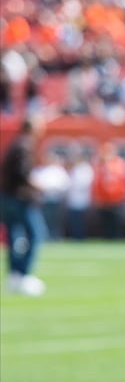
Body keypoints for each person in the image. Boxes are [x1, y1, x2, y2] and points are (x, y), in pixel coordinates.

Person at [0, 115, 48, 296]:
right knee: (35, 234)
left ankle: (14, 275)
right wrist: (37, 185)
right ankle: (24, 275)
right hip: (19, 198)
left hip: (7, 197)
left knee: (13, 236)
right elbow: (22, 175)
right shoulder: (24, 146)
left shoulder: (15, 144)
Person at [91, 142, 125, 239]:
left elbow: (123, 180)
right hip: (103, 200)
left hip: (116, 199)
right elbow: (96, 182)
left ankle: (116, 238)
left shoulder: (119, 163)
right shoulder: (99, 164)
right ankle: (106, 239)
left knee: (116, 223)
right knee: (104, 223)